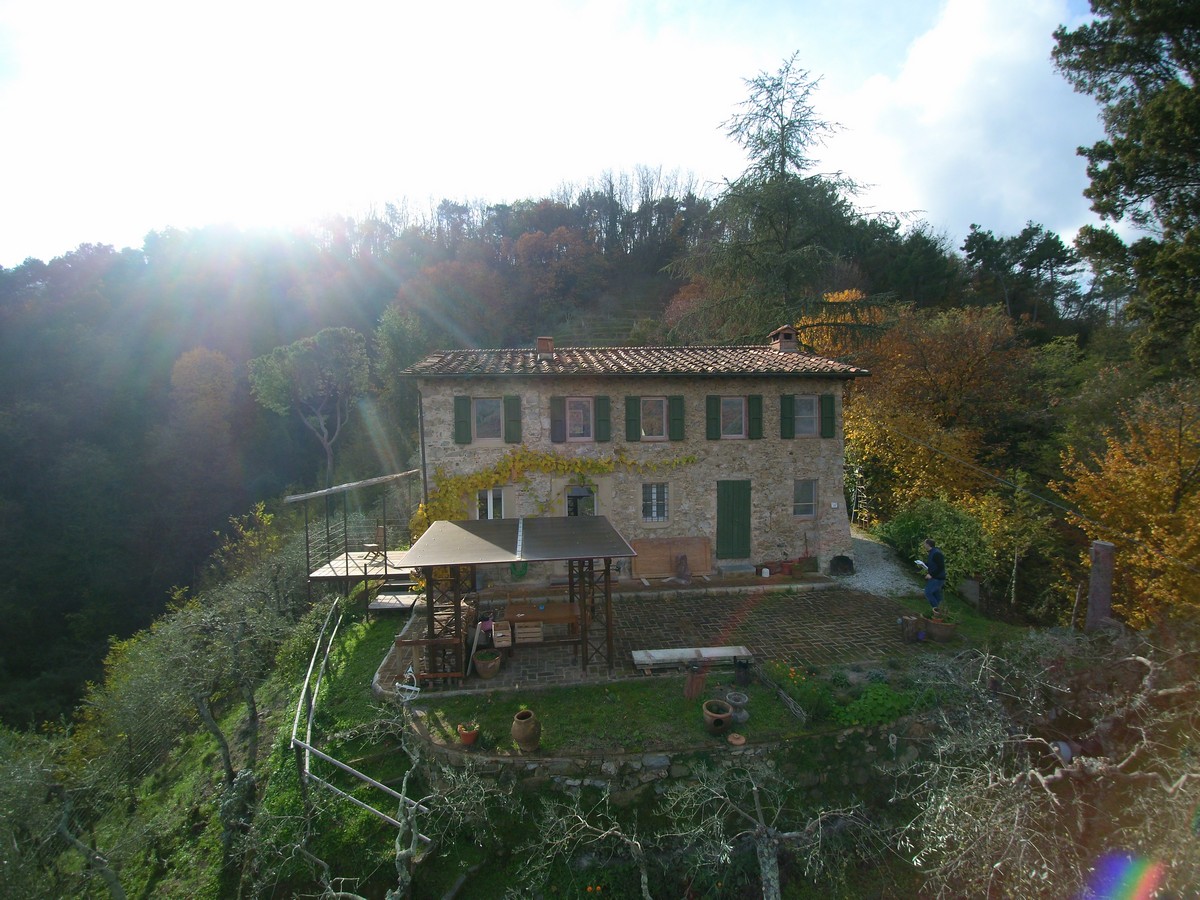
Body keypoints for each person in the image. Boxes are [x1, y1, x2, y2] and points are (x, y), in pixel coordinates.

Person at [923, 538, 946, 616]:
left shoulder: (936, 553)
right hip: (937, 578)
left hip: (937, 578)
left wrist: (931, 575)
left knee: (928, 592)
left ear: (928, 545)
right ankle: (942, 611)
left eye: (924, 544)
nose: (924, 545)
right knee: (936, 595)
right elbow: (933, 564)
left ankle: (937, 612)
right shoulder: (931, 552)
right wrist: (923, 564)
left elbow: (941, 567)